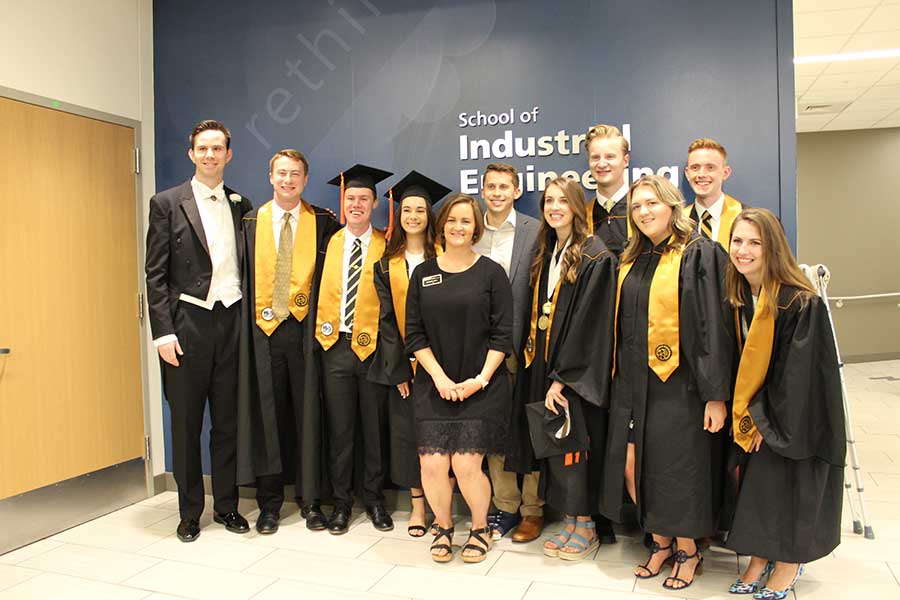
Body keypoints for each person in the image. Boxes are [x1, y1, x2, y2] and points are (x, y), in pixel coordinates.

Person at [600, 174, 733, 590]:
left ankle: (687, 549)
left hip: (680, 385)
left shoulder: (698, 254)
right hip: (632, 383)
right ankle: (658, 540)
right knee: (632, 465)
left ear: (673, 207)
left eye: (652, 204)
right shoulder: (631, 258)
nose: (643, 212)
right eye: (637, 206)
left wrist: (715, 396)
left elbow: (713, 327)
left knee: (677, 470)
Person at [724, 208, 845, 599]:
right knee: (758, 488)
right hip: (758, 410)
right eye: (738, 241)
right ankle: (760, 556)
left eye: (754, 243)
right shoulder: (742, 294)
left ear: (772, 247)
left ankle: (789, 561)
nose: (743, 251)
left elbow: (799, 378)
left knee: (784, 483)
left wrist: (764, 420)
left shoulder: (798, 302)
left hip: (791, 417)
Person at [145, 119, 252, 542]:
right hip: (186, 325)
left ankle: (226, 506)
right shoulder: (166, 203)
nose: (210, 155)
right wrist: (163, 333)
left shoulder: (242, 204)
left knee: (227, 422)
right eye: (202, 149)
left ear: (229, 154)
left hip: (232, 322)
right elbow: (155, 274)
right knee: (187, 424)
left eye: (217, 148)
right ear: (192, 154)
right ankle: (190, 511)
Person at [510, 177, 617, 561]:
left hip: (573, 374)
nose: (555, 207)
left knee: (577, 446)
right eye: (548, 201)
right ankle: (570, 520)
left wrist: (564, 378)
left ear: (576, 206)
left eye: (562, 200)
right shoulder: (550, 249)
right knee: (557, 445)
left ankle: (585, 525)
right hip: (543, 362)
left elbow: (592, 324)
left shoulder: (594, 254)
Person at [235, 149, 340, 534]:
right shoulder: (250, 222)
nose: (288, 180)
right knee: (268, 419)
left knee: (308, 417)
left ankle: (311, 501)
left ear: (305, 179)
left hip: (306, 334)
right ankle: (269, 503)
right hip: (263, 335)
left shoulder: (323, 222)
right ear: (270, 177)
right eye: (281, 173)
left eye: (295, 174)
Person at [405, 194, 513, 563]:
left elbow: (503, 335)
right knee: (432, 465)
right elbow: (414, 334)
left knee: (466, 465)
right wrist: (437, 378)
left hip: (481, 385)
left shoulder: (491, 273)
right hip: (434, 384)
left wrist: (479, 380)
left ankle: (480, 528)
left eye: (466, 221)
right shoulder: (423, 274)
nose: (458, 227)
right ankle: (444, 526)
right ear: (442, 225)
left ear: (476, 227)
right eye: (452, 220)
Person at [368, 170, 450, 537]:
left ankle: (441, 508)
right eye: (407, 210)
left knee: (442, 437)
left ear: (429, 215)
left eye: (420, 209)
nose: (413, 216)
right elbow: (386, 320)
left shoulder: (447, 256)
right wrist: (398, 370)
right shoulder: (387, 264)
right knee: (409, 437)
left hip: (444, 365)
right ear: (398, 216)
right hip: (405, 367)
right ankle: (418, 507)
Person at [315, 164, 394, 535]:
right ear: (343, 203)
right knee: (341, 430)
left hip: (374, 348)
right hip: (335, 347)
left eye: (364, 198)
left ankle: (375, 500)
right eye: (351, 199)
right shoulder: (327, 243)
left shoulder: (385, 246)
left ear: (375, 203)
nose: (357, 204)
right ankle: (342, 503)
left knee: (373, 431)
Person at [472, 163, 543, 543]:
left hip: (523, 346)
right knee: (494, 430)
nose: (497, 192)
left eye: (505, 186)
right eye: (491, 186)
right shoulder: (471, 228)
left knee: (528, 431)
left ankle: (533, 510)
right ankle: (506, 505)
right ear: (482, 190)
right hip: (481, 350)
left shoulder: (535, 230)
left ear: (517, 191)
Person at [684, 138, 744, 248]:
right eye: (695, 168)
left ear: (725, 173)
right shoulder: (679, 223)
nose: (701, 174)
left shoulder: (745, 217)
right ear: (687, 173)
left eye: (710, 167)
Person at [583, 123, 631, 255]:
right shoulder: (583, 217)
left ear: (625, 161)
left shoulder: (641, 210)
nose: (602, 164)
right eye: (595, 157)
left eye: (610, 156)